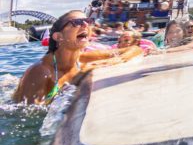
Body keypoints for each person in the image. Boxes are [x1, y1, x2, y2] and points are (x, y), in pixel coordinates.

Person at [13, 11, 143, 104]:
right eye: (77, 22)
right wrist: (76, 80)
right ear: (58, 37)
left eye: (88, 21)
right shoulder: (40, 72)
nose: (86, 25)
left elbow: (135, 49)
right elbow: (26, 120)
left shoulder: (83, 59)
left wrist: (107, 63)